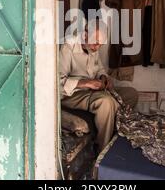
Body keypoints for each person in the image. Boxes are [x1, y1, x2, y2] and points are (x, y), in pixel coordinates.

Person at [59, 19, 139, 151]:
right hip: (73, 94)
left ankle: (115, 130)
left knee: (131, 94)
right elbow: (58, 81)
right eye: (95, 44)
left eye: (100, 45)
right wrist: (86, 83)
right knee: (107, 102)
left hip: (93, 91)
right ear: (85, 35)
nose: (97, 48)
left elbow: (100, 69)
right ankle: (103, 150)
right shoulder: (68, 46)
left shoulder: (93, 47)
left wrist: (104, 78)